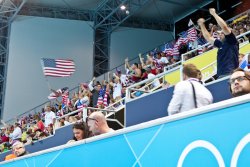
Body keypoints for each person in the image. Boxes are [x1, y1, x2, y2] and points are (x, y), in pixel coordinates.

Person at [197, 8, 239, 78]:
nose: (219, 34)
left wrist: (214, 14)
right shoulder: (220, 44)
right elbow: (208, 37)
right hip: (220, 75)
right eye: (219, 33)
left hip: (230, 74)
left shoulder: (232, 41)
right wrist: (201, 25)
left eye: (222, 33)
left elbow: (224, 27)